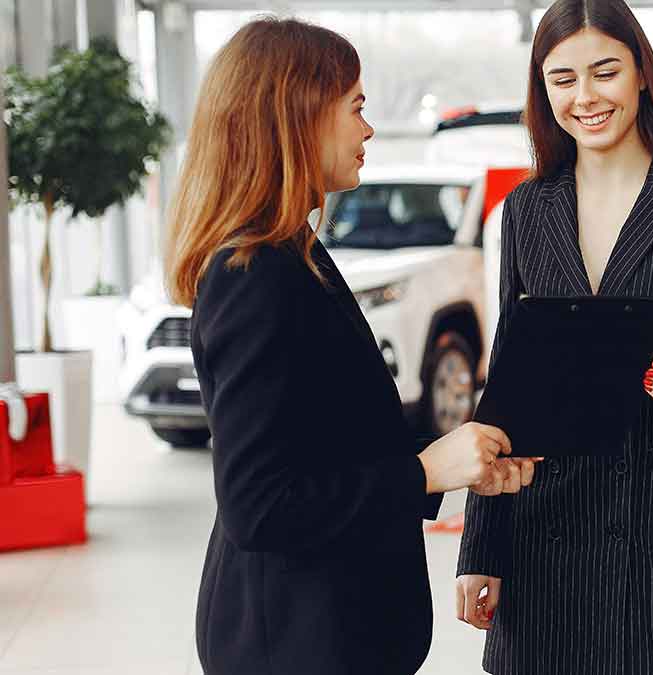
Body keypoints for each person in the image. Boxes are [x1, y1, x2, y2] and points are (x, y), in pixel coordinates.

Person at [163, 17, 536, 675]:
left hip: (329, 629)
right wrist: (426, 471)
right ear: (296, 114)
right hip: (293, 641)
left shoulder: (296, 254)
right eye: (356, 108)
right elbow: (260, 504)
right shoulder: (254, 275)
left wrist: (453, 461)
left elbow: (325, 445)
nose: (367, 129)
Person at [454, 1, 653, 673]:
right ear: (543, 90)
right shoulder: (527, 210)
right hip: (547, 526)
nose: (585, 97)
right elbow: (507, 383)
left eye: (605, 72)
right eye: (562, 79)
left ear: (642, 75)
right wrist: (481, 548)